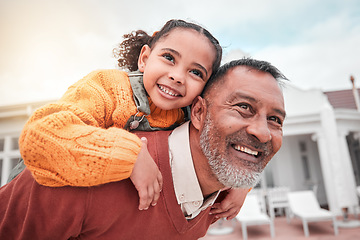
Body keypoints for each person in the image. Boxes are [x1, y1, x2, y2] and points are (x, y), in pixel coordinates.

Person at [0, 58, 287, 240]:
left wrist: (240, 186)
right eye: (243, 108)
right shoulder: (82, 169)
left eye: (275, 120)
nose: (262, 132)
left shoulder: (218, 196)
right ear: (198, 113)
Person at [17, 19, 223, 211]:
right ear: (144, 59)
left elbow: (227, 145)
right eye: (169, 58)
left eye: (196, 72)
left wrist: (235, 187)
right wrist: (129, 156)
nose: (177, 76)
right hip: (29, 207)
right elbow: (40, 137)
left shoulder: (192, 119)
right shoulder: (107, 87)